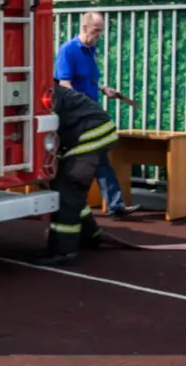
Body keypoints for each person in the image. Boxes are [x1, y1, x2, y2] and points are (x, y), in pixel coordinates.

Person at [54, 12, 140, 218]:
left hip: (88, 115)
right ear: (84, 28)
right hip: (78, 118)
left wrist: (104, 89)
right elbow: (65, 85)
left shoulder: (91, 50)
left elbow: (89, 80)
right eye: (96, 31)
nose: (99, 36)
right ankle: (105, 205)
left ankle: (113, 205)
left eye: (101, 31)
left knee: (99, 159)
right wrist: (83, 109)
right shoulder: (68, 51)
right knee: (93, 160)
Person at [40, 84, 118, 266]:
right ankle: (90, 234)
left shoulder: (45, 91)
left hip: (91, 133)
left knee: (67, 190)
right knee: (68, 188)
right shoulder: (47, 87)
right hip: (93, 130)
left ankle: (63, 252)